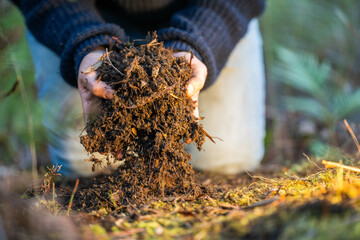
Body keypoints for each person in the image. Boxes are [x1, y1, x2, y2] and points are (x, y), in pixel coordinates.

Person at [13, 0, 266, 177]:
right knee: (84, 165)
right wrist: (86, 43)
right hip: (73, 18)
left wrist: (192, 44)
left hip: (209, 15)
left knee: (227, 160)